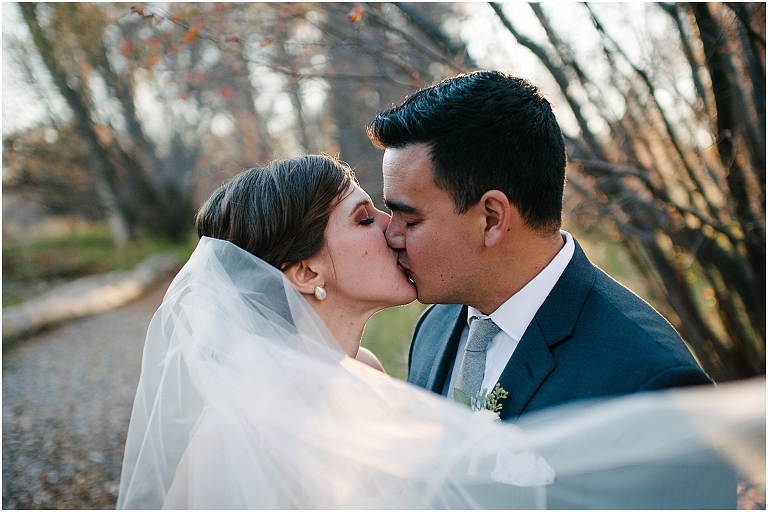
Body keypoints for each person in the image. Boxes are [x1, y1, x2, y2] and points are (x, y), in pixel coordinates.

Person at [116, 154, 763, 509]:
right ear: (308, 271)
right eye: (365, 218)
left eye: (392, 212)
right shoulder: (232, 438)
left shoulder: (369, 373)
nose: (393, 229)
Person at [367, 70, 713, 420]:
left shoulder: (651, 379)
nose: (391, 236)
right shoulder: (434, 328)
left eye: (410, 220)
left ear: (491, 219)